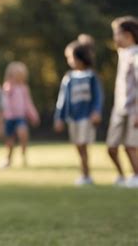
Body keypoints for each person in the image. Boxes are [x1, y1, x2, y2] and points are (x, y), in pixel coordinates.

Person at [54, 35, 103, 186]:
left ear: (80, 58)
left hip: (86, 117)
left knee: (83, 145)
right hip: (73, 118)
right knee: (78, 146)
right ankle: (84, 174)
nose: (69, 60)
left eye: (70, 57)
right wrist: (59, 118)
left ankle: (86, 175)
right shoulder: (69, 78)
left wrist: (96, 111)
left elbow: (98, 96)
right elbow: (62, 100)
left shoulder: (91, 77)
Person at [106, 16, 138, 187]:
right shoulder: (123, 53)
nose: (114, 38)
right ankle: (121, 176)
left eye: (116, 34)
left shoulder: (136, 55)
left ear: (127, 35)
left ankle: (136, 176)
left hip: (133, 108)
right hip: (119, 107)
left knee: (131, 146)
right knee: (111, 146)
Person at [2, 61, 40, 168]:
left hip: (20, 117)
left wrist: (33, 115)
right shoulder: (7, 87)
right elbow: (4, 101)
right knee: (9, 141)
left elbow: (28, 103)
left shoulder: (24, 88)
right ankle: (8, 159)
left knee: (23, 133)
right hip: (9, 118)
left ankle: (24, 155)